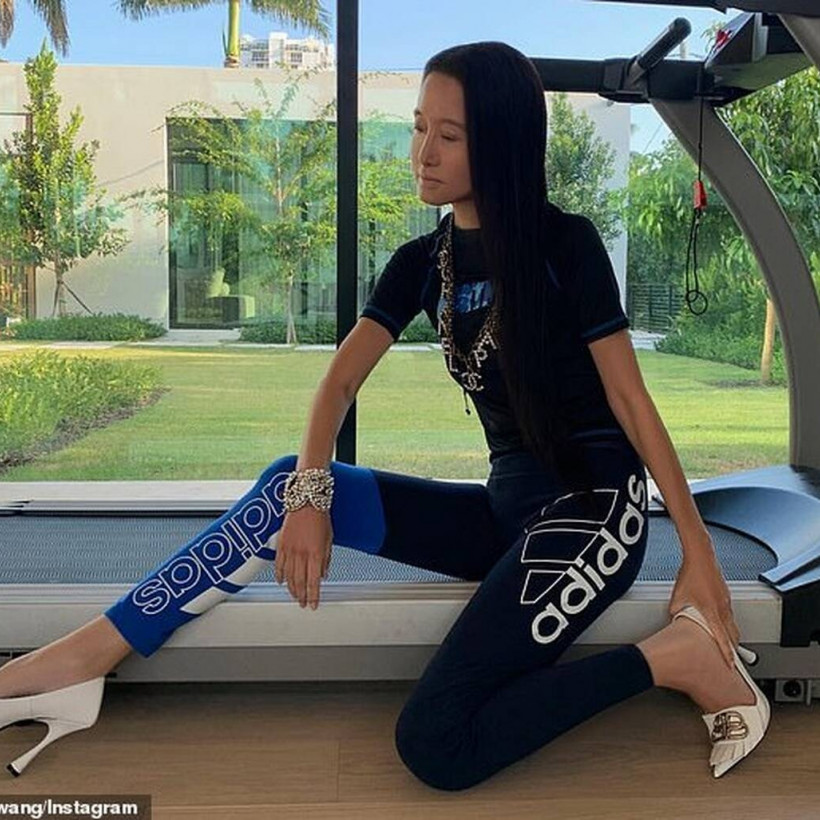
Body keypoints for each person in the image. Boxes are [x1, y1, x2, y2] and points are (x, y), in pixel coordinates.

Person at [0, 41, 768, 788]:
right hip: (504, 514)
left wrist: (696, 550)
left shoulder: (565, 246)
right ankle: (81, 660)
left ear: (499, 143)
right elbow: (337, 385)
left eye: (449, 135)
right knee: (286, 483)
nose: (422, 153)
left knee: (438, 743)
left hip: (595, 512)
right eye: (419, 127)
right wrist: (310, 495)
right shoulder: (421, 264)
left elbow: (632, 401)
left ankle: (676, 659)